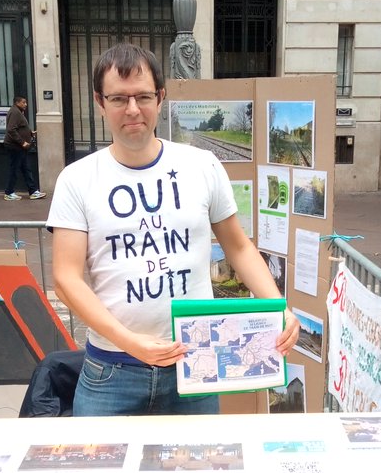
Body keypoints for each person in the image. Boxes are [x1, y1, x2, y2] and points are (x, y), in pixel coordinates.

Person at [47, 43, 300, 416]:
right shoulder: (77, 179)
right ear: (100, 102)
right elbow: (66, 278)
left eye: (143, 96)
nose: (133, 109)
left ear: (160, 97)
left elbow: (239, 248)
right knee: (104, 458)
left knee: (200, 456)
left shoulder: (202, 165)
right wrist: (130, 342)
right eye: (119, 99)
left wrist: (279, 308)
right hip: (112, 373)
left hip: (195, 365)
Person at [3, 95, 46, 201]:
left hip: (19, 147)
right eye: (23, 102)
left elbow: (20, 128)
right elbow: (11, 129)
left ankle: (33, 191)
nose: (25, 104)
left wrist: (30, 133)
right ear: (17, 103)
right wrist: (22, 142)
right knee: (15, 169)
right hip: (15, 147)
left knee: (26, 169)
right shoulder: (15, 112)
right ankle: (9, 192)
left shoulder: (18, 112)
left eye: (25, 102)